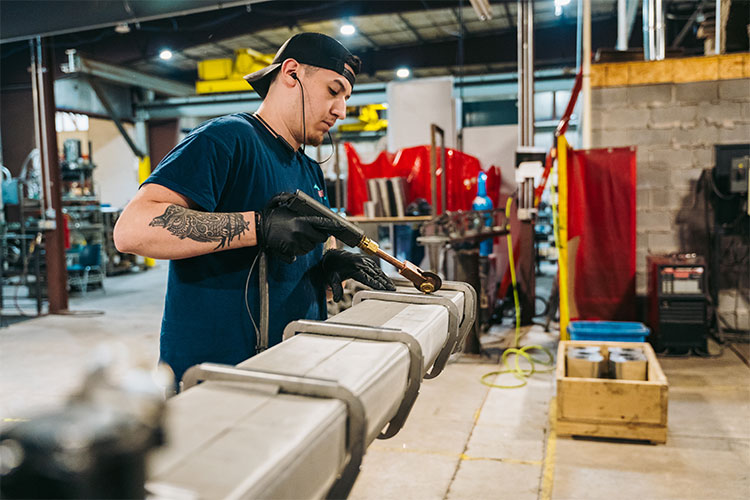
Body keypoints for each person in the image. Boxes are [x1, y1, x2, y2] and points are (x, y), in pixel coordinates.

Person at [114, 32, 395, 383]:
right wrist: (258, 227)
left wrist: (326, 269)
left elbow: (294, 262)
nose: (341, 110)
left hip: (295, 362)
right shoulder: (227, 139)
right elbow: (132, 230)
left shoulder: (310, 170)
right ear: (291, 73)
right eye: (333, 91)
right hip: (218, 374)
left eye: (346, 98)